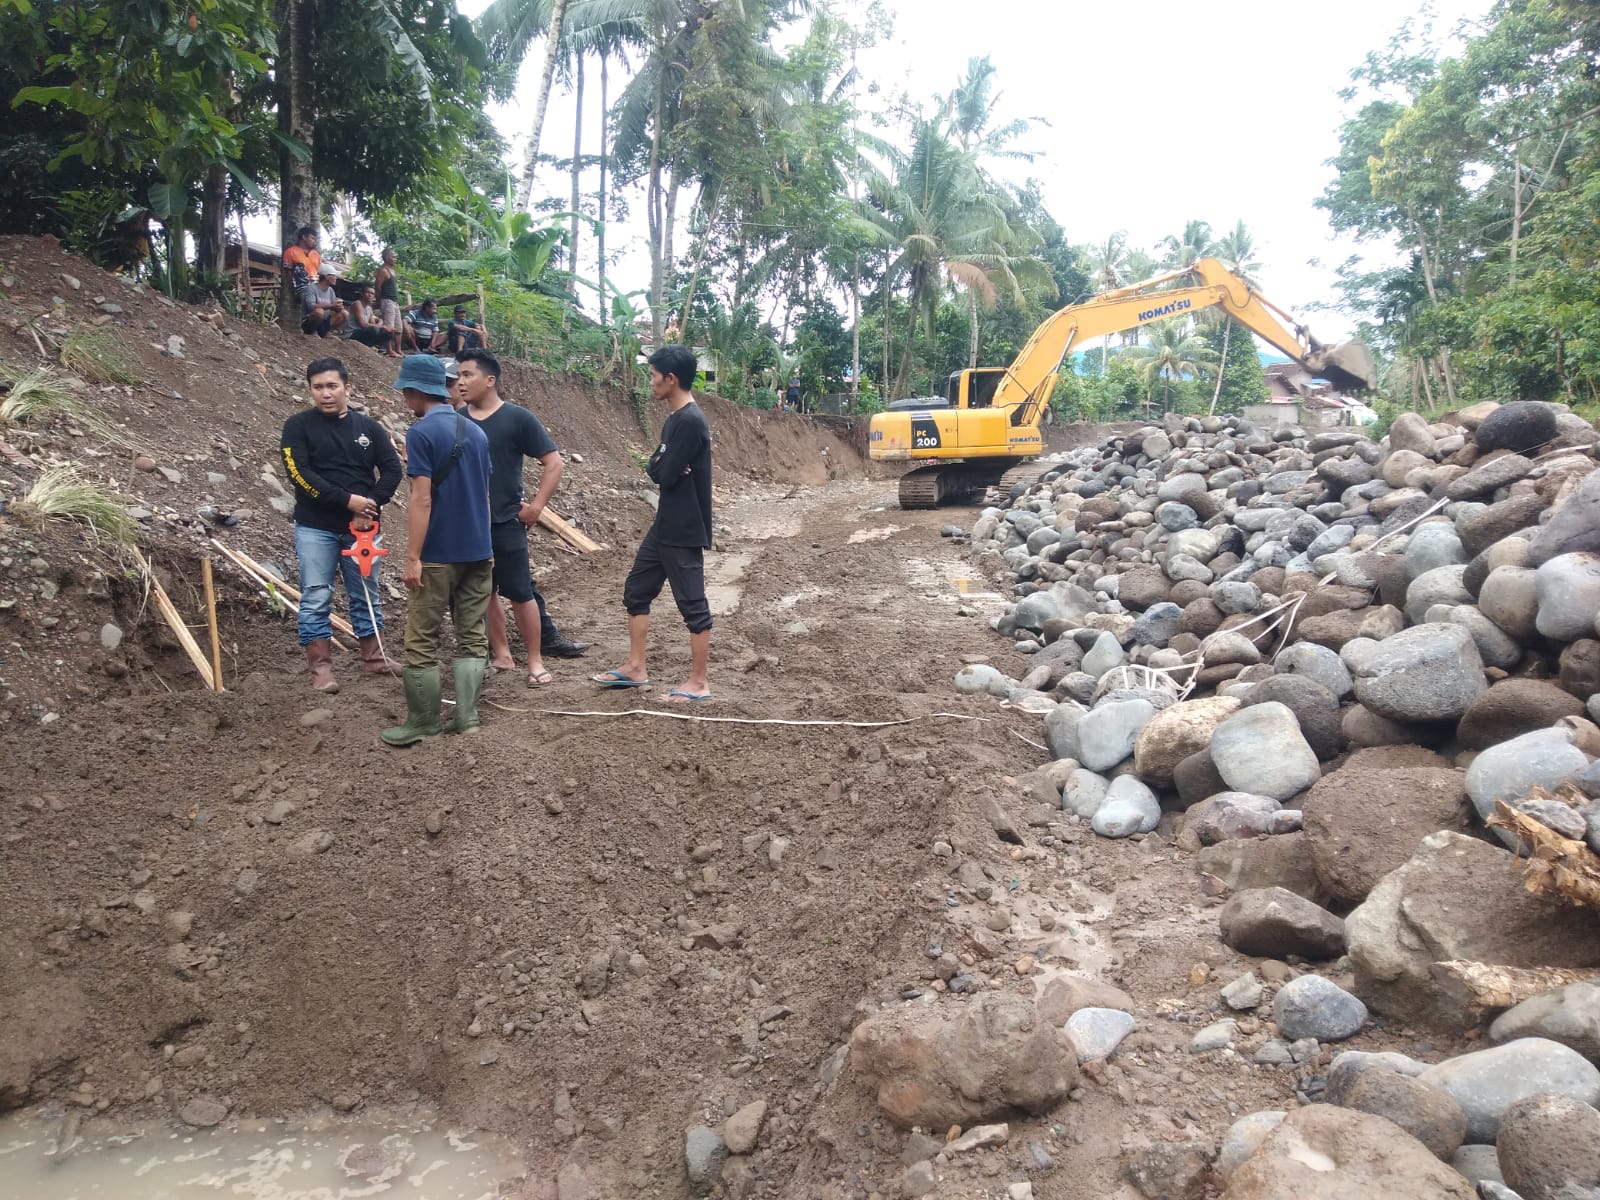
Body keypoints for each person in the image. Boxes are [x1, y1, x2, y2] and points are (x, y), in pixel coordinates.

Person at [454, 348, 589, 689]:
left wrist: (537, 507)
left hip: (506, 521)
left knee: (520, 593)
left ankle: (535, 660)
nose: (460, 381)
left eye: (468, 375)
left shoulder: (517, 418)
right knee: (485, 592)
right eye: (459, 375)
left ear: (490, 380)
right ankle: (502, 654)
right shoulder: (457, 420)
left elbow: (553, 462)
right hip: (469, 524)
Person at [382, 354, 495, 747]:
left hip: (438, 554)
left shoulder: (421, 433)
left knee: (421, 639)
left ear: (416, 391)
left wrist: (413, 557)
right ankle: (467, 717)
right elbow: (482, 494)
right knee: (471, 636)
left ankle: (424, 722)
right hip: (480, 552)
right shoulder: (477, 432)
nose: (404, 399)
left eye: (405, 392)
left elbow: (422, 500)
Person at [592, 344, 714, 702]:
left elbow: (663, 473)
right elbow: (658, 467)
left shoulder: (690, 421)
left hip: (684, 527)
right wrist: (663, 464)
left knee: (693, 604)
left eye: (653, 376)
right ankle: (635, 667)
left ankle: (699, 682)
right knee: (637, 591)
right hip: (665, 524)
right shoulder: (675, 419)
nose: (651, 382)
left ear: (671, 378)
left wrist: (663, 465)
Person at [279, 356, 404, 692]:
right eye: (318, 387)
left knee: (366, 592)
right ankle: (320, 668)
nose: (326, 393)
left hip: (362, 528)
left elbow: (393, 469)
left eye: (332, 386)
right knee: (316, 594)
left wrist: (371, 505)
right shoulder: (298, 426)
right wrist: (347, 501)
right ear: (310, 391)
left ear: (347, 388)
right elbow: (299, 475)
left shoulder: (369, 429)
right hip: (314, 526)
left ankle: (374, 657)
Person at [375, 247, 404, 357]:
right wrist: (379, 301)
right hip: (387, 301)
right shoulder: (383, 271)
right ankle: (389, 350)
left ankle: (398, 349)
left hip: (394, 301)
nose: (395, 258)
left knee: (398, 327)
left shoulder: (392, 270)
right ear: (387, 258)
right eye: (393, 256)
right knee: (389, 326)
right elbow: (378, 287)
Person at [282, 226, 320, 310]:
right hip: (302, 288)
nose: (314, 241)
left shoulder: (316, 254)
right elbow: (288, 272)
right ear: (304, 237)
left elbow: (318, 271)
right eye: (312, 238)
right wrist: (293, 288)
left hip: (316, 287)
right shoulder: (291, 252)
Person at [346, 286, 395, 351]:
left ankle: (372, 346)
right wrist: (382, 326)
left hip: (363, 333)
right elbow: (363, 324)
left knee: (389, 333)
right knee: (374, 330)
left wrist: (381, 322)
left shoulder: (369, 308)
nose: (370, 295)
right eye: (368, 293)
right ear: (362, 294)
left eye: (372, 294)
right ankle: (368, 346)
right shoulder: (357, 304)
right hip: (352, 334)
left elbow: (373, 324)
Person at [304, 268, 347, 337]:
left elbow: (333, 308)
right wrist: (331, 305)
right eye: (334, 276)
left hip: (325, 321)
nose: (336, 278)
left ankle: (327, 332)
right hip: (310, 321)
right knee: (319, 312)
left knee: (344, 313)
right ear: (326, 276)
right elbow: (311, 306)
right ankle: (313, 331)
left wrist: (339, 307)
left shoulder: (331, 290)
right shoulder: (311, 288)